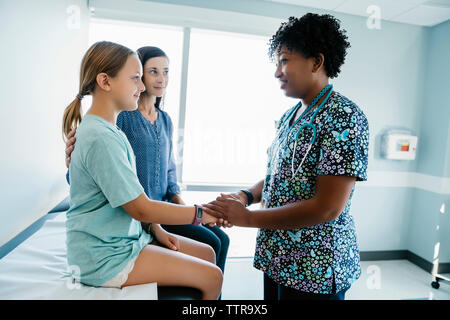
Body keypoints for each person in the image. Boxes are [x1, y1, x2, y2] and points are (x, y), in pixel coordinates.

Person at [204, 13, 369, 300]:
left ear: (316, 62)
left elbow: (328, 208)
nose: (277, 72)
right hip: (279, 258)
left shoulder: (344, 116)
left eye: (284, 60)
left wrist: (248, 219)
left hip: (315, 268)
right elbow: (279, 177)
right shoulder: (290, 116)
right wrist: (244, 196)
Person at [62, 41, 223, 299]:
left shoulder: (110, 131)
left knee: (208, 252)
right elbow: (140, 207)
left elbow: (133, 198)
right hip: (103, 256)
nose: (141, 86)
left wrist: (154, 229)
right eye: (136, 78)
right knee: (213, 275)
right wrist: (201, 214)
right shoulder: (101, 136)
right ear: (105, 81)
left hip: (128, 238)